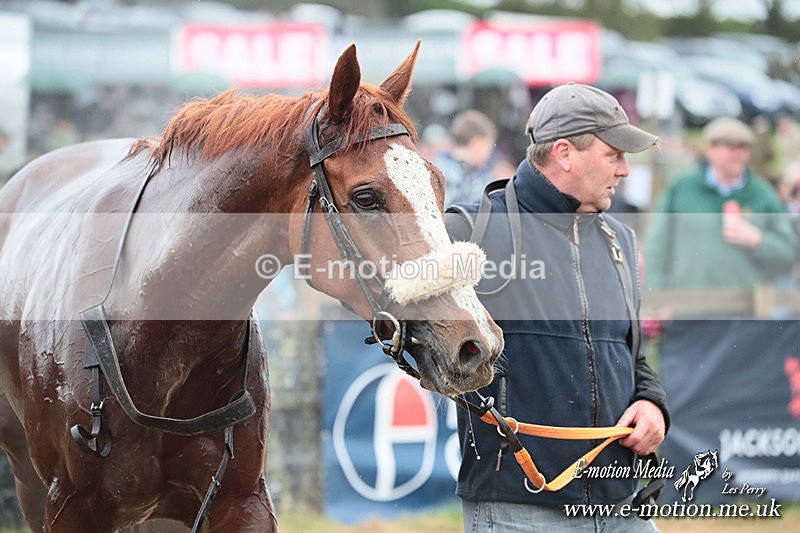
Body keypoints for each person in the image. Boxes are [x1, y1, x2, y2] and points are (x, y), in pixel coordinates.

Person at [446, 83, 668, 532]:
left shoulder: (619, 241)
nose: (625, 170)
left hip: (620, 501)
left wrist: (652, 404)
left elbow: (631, 357)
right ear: (565, 153)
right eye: (614, 154)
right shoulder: (470, 230)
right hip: (518, 506)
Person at [644, 117, 798, 290]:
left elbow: (789, 251)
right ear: (711, 149)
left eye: (743, 148)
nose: (738, 154)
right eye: (731, 147)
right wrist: (658, 295)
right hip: (687, 306)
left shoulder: (762, 194)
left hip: (744, 309)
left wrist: (758, 240)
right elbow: (656, 245)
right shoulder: (682, 188)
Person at [433, 109, 499, 204]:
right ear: (477, 143)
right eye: (487, 148)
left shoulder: (435, 167)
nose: (488, 155)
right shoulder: (443, 173)